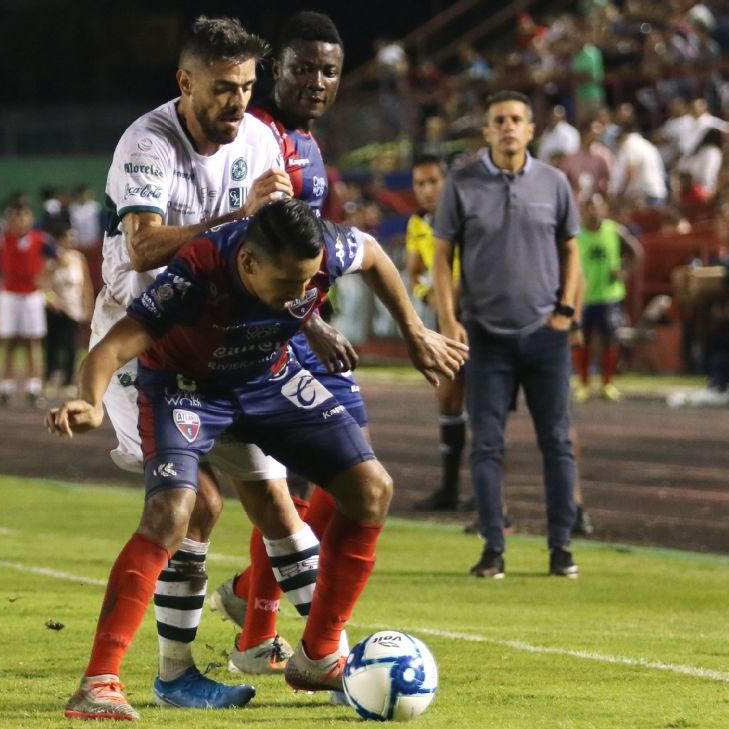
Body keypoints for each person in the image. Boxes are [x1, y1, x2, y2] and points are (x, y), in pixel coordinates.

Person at [47, 198, 467, 721]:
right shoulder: (198, 270)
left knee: (372, 488)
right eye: (288, 286)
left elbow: (377, 254)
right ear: (247, 264)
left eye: (308, 285)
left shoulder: (325, 248)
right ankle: (99, 682)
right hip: (186, 388)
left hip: (268, 377)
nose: (300, 297)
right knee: (173, 512)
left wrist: (414, 332)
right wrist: (89, 402)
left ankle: (317, 656)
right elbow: (111, 348)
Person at [77, 15, 301, 715]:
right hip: (142, 344)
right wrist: (238, 215)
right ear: (185, 81)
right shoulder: (148, 143)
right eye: (222, 89)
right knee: (193, 504)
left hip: (221, 346)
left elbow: (278, 239)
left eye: (246, 87)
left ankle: (322, 649)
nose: (237, 103)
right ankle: (139, 675)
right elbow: (143, 248)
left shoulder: (261, 137)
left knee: (276, 497)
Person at [207, 10, 361, 679]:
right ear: (277, 70)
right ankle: (278, 631)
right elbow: (254, 244)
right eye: (303, 67)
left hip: (297, 327)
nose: (317, 80)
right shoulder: (262, 135)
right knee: (328, 478)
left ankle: (251, 609)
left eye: (328, 70)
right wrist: (315, 323)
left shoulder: (308, 141)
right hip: (275, 334)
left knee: (327, 479)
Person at [431, 90, 583, 581]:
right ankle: (493, 548)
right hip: (485, 336)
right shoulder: (461, 184)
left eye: (517, 119)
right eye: (500, 120)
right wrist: (449, 321)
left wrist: (566, 311)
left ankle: (561, 547)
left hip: (545, 333)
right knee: (486, 445)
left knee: (557, 442)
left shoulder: (555, 183)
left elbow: (572, 253)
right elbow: (440, 257)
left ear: (531, 128)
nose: (509, 127)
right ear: (487, 130)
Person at [404, 154, 468, 512]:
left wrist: (448, 300)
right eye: (420, 183)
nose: (427, 190)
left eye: (433, 181)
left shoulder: (462, 216)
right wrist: (428, 294)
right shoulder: (417, 223)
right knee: (447, 400)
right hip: (444, 321)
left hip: (473, 317)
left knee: (485, 407)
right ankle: (450, 488)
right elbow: (414, 270)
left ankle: (490, 495)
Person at [0, 199, 56, 406]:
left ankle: (33, 387)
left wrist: (45, 277)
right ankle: (6, 386)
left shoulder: (41, 239)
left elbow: (58, 258)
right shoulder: (1, 239)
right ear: (11, 220)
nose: (21, 221)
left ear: (30, 219)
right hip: (9, 295)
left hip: (32, 295)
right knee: (9, 342)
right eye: (17, 218)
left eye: (25, 217)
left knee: (33, 341)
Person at [573, 194, 641, 403]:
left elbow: (635, 252)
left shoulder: (614, 230)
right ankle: (583, 384)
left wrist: (624, 270)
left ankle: (607, 383)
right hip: (584, 297)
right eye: (589, 208)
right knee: (581, 341)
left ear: (604, 209)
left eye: (597, 207)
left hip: (609, 296)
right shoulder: (575, 234)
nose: (593, 212)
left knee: (610, 340)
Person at [43, 225, 92, 397]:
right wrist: (51, 301)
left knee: (71, 346)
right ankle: (48, 380)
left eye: (73, 237)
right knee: (52, 345)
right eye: (68, 237)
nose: (71, 240)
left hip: (73, 308)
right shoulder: (51, 259)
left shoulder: (79, 258)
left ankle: (68, 381)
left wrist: (88, 306)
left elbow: (86, 284)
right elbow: (43, 283)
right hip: (55, 308)